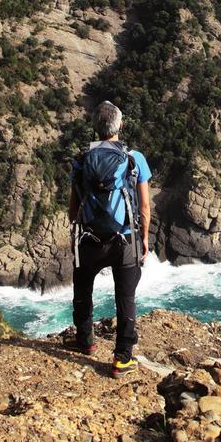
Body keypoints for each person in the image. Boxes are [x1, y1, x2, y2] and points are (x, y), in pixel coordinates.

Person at [66, 101, 152, 377]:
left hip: (90, 237)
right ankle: (122, 358)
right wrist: (144, 239)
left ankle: (86, 340)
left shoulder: (81, 160)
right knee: (125, 297)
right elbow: (145, 207)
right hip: (124, 240)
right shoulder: (133, 158)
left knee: (83, 288)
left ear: (95, 128)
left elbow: (72, 207)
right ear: (120, 126)